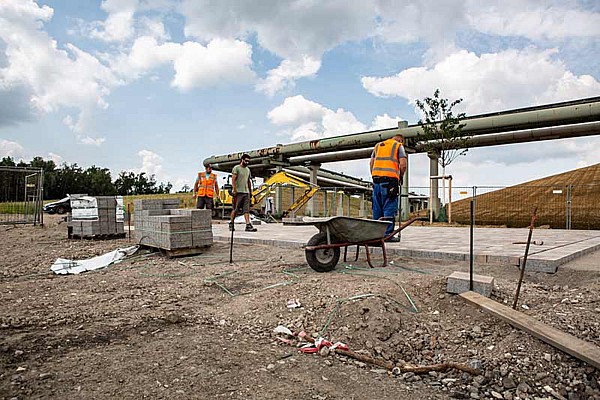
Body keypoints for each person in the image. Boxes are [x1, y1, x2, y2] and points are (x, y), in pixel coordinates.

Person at [370, 134, 407, 242]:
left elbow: (371, 163)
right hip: (390, 182)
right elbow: (403, 164)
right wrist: (400, 176)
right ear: (400, 140)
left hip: (376, 182)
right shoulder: (398, 145)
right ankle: (387, 235)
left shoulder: (377, 146)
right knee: (389, 207)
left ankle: (376, 235)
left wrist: (374, 176)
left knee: (377, 208)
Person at [229, 154, 257, 232]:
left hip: (246, 192)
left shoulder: (248, 170)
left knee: (246, 210)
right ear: (242, 160)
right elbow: (233, 180)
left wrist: (250, 192)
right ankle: (231, 223)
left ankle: (248, 225)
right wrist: (234, 190)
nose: (247, 162)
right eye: (246, 161)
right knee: (235, 209)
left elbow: (248, 181)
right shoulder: (236, 168)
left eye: (248, 161)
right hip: (238, 192)